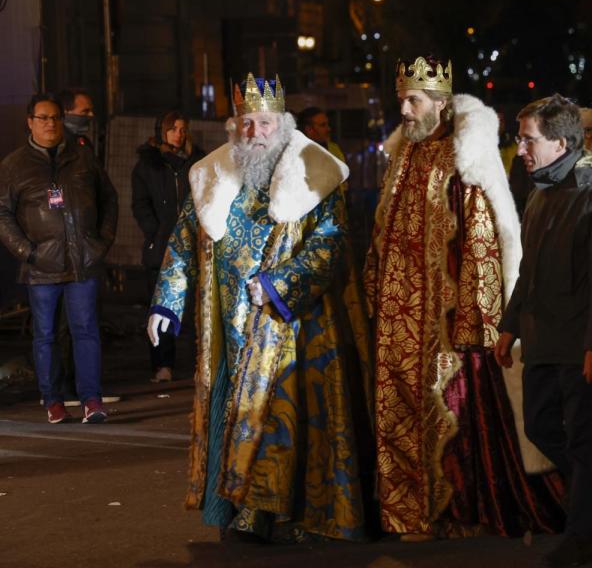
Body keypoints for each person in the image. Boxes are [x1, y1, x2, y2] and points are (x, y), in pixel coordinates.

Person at [146, 74, 368, 542]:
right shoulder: (214, 174)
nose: (255, 132)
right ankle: (242, 506)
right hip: (228, 326)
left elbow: (330, 242)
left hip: (289, 323)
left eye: (264, 123)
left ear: (282, 125)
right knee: (236, 415)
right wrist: (167, 300)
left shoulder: (315, 171)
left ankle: (290, 512)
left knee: (282, 417)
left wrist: (280, 285)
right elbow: (183, 242)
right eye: (247, 123)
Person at [365, 56, 563, 541]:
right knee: (399, 415)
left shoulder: (462, 157)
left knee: (452, 420)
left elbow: (482, 241)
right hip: (399, 319)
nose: (405, 111)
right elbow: (382, 231)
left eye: (414, 101)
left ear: (440, 103)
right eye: (402, 101)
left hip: (446, 324)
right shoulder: (402, 156)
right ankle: (406, 511)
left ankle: (455, 510)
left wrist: (477, 322)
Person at [495, 95, 592, 567]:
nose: (521, 148)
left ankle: (580, 537)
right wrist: (509, 327)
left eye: (528, 139)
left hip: (579, 340)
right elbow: (529, 268)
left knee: (584, 439)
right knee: (541, 426)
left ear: (561, 141)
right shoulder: (541, 190)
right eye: (520, 138)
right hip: (541, 337)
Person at [0, 93, 117, 424]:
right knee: (46, 334)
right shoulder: (13, 165)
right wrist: (28, 252)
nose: (50, 123)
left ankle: (91, 401)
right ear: (30, 122)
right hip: (41, 267)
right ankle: (53, 401)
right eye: (43, 118)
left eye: (54, 117)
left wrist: (102, 241)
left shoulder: (82, 157)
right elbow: (2, 213)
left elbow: (109, 197)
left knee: (86, 330)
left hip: (83, 262)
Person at [131, 111, 204, 383]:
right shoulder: (148, 166)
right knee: (162, 306)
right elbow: (140, 204)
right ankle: (163, 364)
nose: (179, 134)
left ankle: (201, 361)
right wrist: (156, 232)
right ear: (161, 131)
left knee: (197, 308)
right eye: (173, 129)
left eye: (183, 128)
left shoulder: (197, 161)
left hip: (195, 244)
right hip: (161, 247)